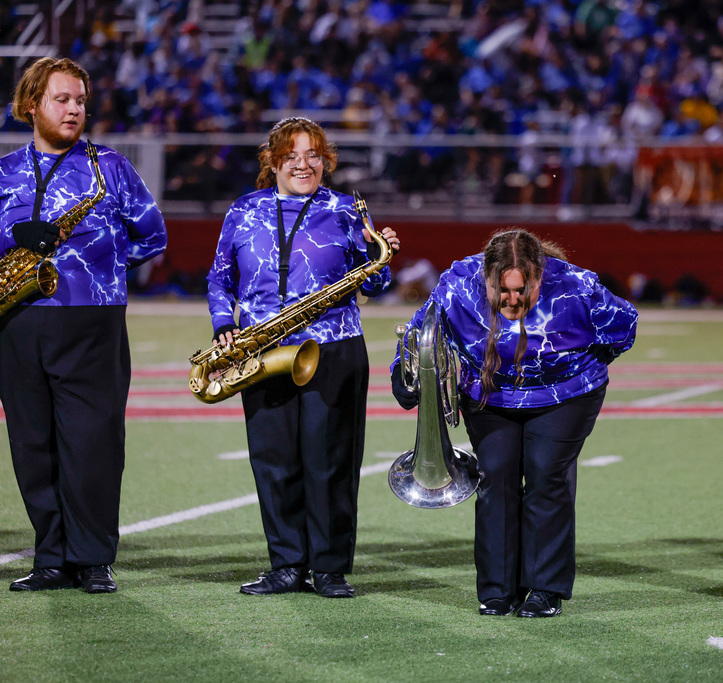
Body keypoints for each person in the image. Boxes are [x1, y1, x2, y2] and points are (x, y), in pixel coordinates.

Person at [391, 229, 637, 618]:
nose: (512, 299)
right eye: (501, 290)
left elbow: (625, 325)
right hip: (490, 394)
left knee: (545, 475)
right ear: (486, 277)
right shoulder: (457, 284)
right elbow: (423, 329)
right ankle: (497, 591)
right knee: (496, 477)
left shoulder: (575, 286)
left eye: (523, 289)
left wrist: (582, 366)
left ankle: (544, 589)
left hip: (565, 395)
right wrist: (405, 375)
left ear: (540, 275)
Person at [205, 117, 400, 598]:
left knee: (330, 460)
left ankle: (329, 567)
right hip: (262, 348)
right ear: (272, 161)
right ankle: (286, 564)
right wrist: (224, 325)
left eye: (313, 154)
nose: (303, 164)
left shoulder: (346, 209)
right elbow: (219, 279)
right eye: (291, 155)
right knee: (273, 461)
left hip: (332, 347)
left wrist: (384, 255)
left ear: (325, 161)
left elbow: (374, 283)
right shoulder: (243, 210)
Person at [0, 57, 167, 593]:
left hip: (92, 319)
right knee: (32, 442)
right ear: (32, 105)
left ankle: (93, 558)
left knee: (93, 442)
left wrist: (99, 262)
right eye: (62, 99)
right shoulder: (3, 173)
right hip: (18, 321)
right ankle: (51, 557)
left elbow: (152, 235)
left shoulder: (109, 168)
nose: (75, 110)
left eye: (80, 101)